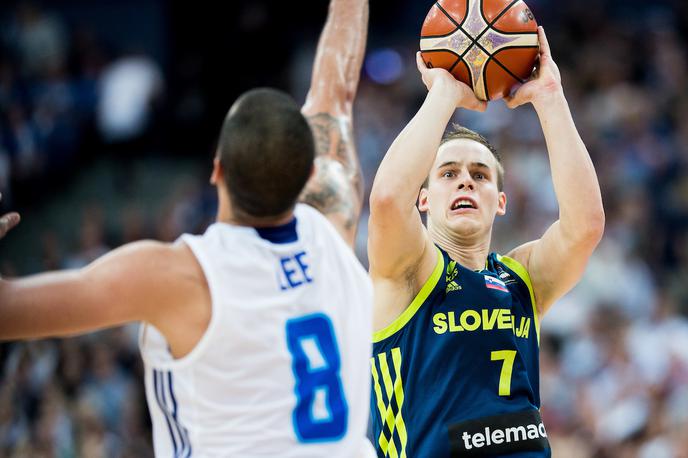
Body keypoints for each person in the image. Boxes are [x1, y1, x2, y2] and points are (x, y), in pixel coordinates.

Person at [0, 0, 374, 456]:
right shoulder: (334, 226)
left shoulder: (179, 276)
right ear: (310, 176)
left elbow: (9, 313)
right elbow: (337, 94)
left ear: (216, 171)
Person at [367, 28, 604, 457]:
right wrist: (443, 94)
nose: (465, 181)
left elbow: (585, 226)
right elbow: (386, 199)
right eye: (448, 173)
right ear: (423, 199)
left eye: (479, 175)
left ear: (500, 202)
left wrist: (549, 96)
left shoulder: (521, 278)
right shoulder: (409, 270)